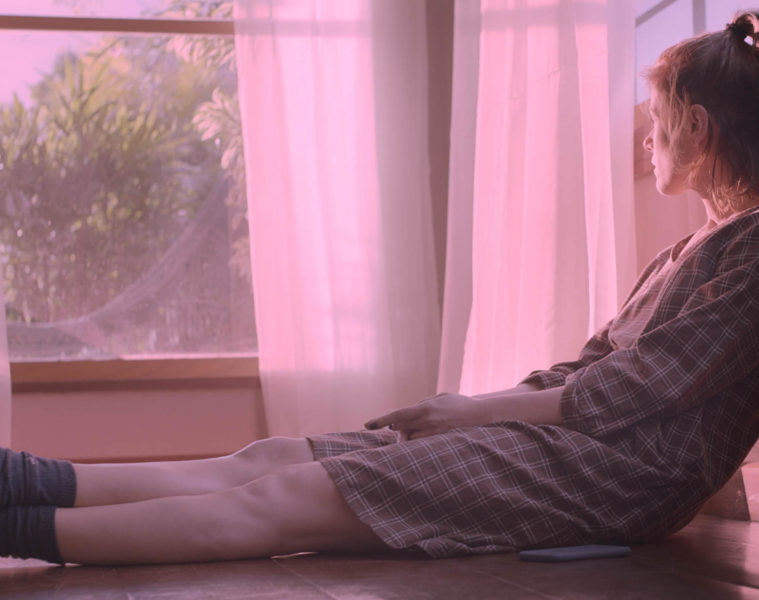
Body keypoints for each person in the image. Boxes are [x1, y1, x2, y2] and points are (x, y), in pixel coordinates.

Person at [3, 11, 759, 566]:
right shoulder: (686, 249)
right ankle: (26, 480)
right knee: (273, 457)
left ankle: (17, 529)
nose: (646, 139)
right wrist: (472, 412)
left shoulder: (752, 250)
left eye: (657, 124)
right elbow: (587, 368)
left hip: (625, 476)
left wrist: (475, 413)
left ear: (697, 128)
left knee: (283, 501)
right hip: (581, 444)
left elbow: (636, 388)